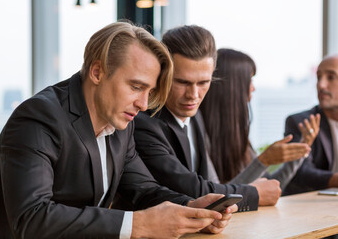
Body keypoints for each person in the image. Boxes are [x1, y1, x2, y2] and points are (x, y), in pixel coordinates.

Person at [0, 22, 236, 239]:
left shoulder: (121, 124)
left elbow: (143, 190)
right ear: (98, 72)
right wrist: (140, 224)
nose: (144, 104)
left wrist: (191, 209)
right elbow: (31, 218)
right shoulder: (39, 117)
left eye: (149, 91)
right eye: (136, 87)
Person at [132, 25, 282, 212]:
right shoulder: (143, 123)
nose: (193, 95)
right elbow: (193, 189)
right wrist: (253, 193)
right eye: (182, 82)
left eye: (203, 82)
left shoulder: (195, 116)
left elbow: (210, 184)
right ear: (163, 74)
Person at [199, 48, 319, 190]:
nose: (253, 88)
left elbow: (270, 185)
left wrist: (301, 150)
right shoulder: (200, 134)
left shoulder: (237, 135)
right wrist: (263, 160)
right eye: (250, 81)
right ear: (234, 85)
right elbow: (218, 196)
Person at [283, 55, 338, 195]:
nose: (321, 85)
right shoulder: (299, 122)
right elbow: (300, 172)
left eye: (331, 77)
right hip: (310, 206)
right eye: (319, 77)